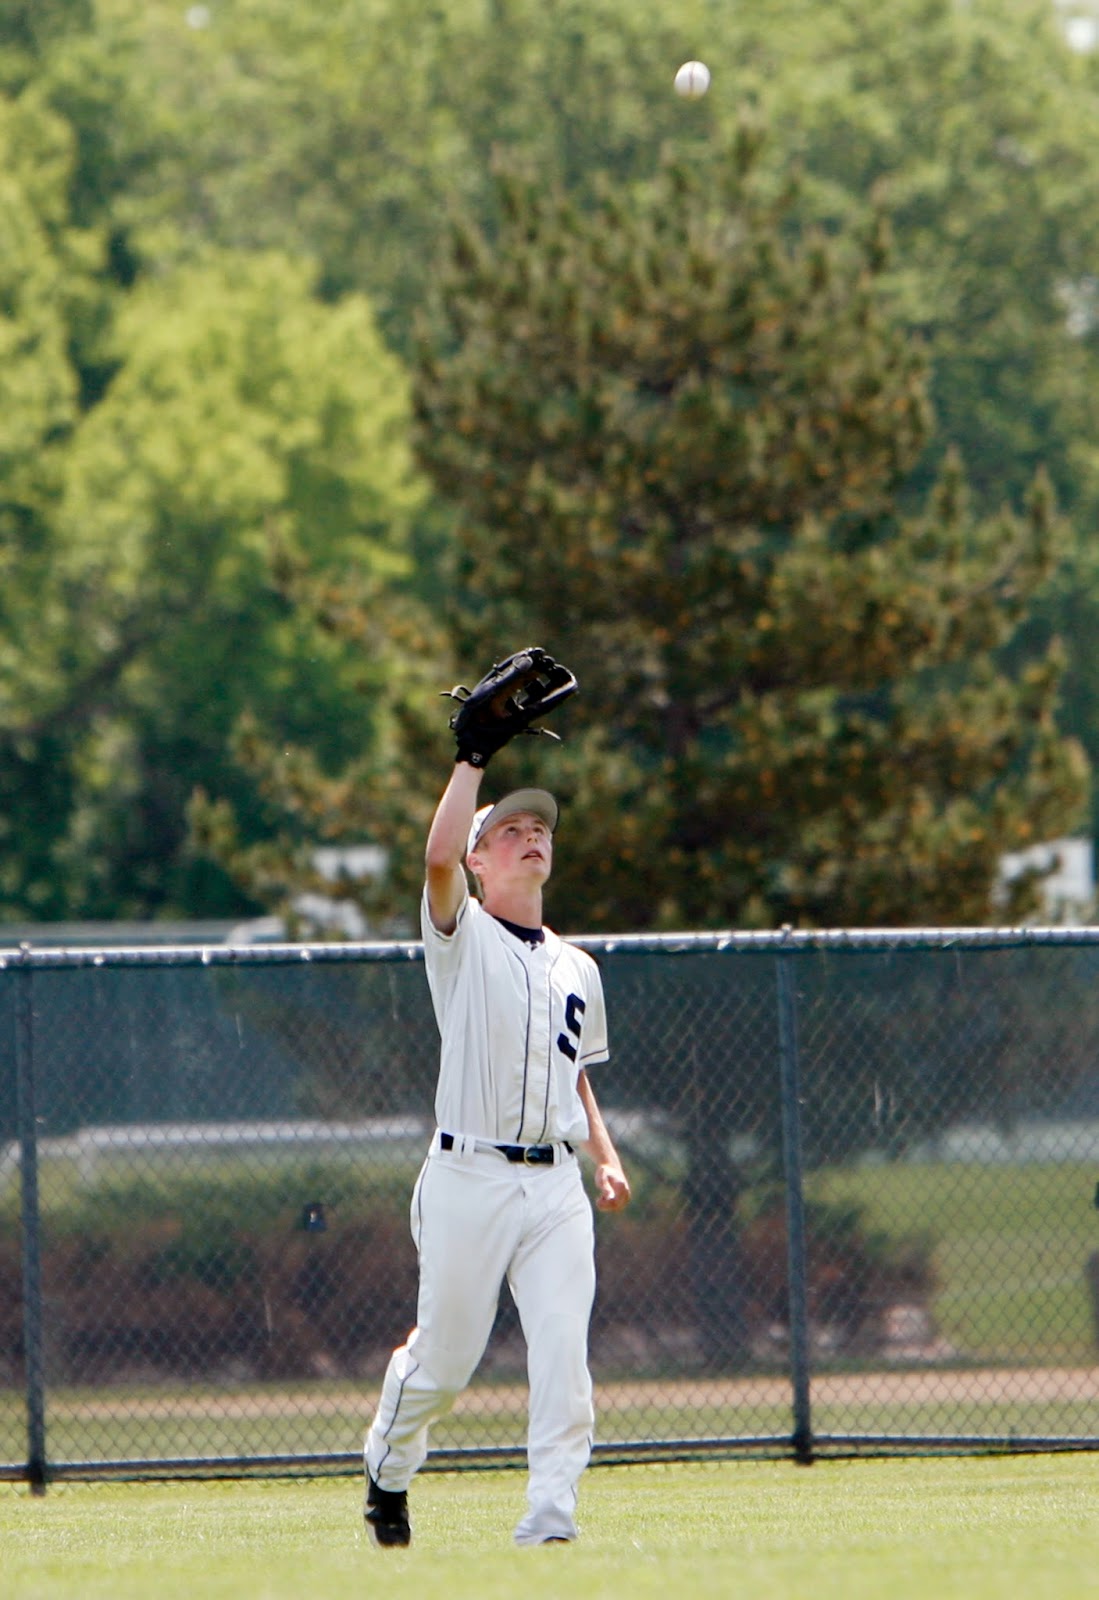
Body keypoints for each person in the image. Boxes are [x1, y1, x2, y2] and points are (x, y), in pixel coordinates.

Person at [363, 752, 631, 1549]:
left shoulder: (577, 967)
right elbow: (435, 857)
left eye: (540, 828)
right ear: (481, 862)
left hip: (553, 1187)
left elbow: (571, 1076)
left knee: (563, 1360)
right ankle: (388, 1464)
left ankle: (549, 1521)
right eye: (510, 830)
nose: (530, 837)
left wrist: (604, 1156)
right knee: (443, 1366)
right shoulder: (460, 933)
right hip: (466, 1175)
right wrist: (468, 761)